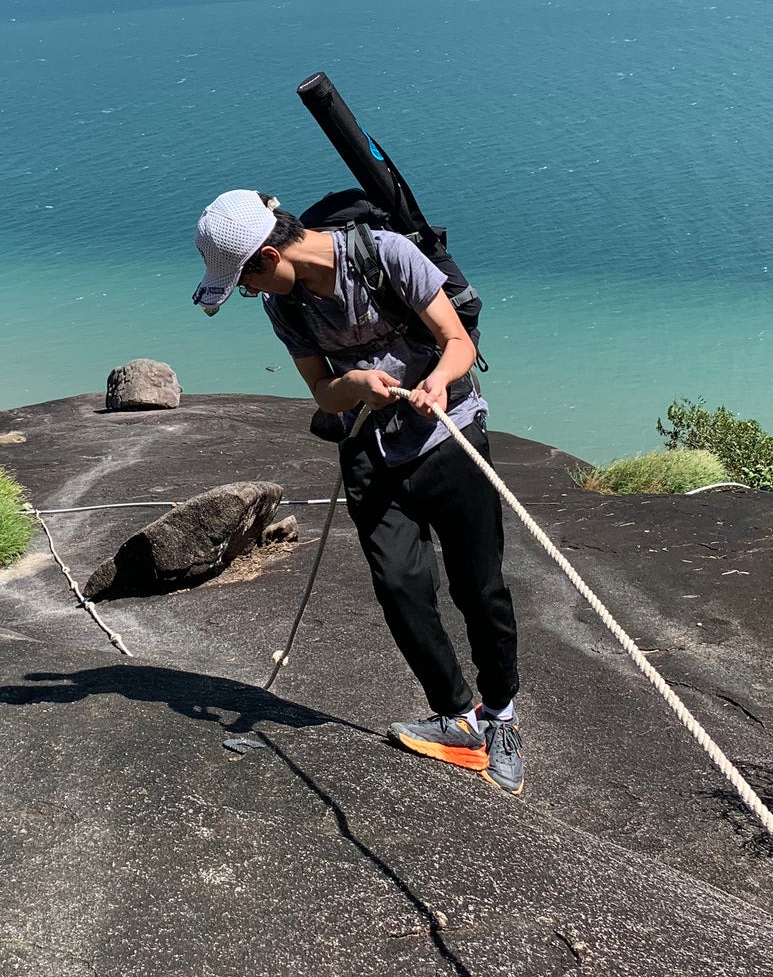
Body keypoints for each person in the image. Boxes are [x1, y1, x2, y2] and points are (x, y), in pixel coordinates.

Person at [192, 187, 524, 795]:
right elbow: (323, 393)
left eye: (247, 282)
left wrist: (440, 384)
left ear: (268, 257)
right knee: (400, 582)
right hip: (369, 449)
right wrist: (356, 384)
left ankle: (500, 715)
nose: (250, 294)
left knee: (478, 584)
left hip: (449, 438)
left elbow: (459, 343)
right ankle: (456, 716)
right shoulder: (285, 307)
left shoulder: (386, 255)